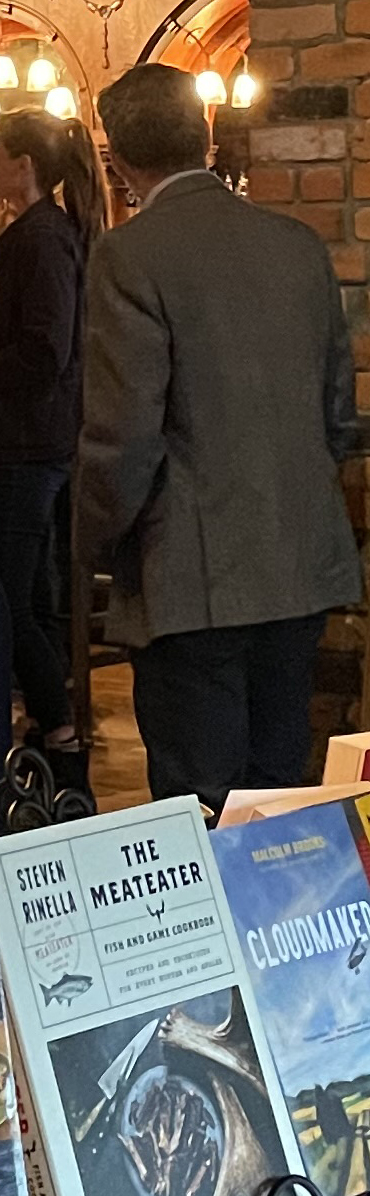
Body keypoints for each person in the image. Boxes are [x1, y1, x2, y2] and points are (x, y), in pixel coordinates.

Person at [77, 64, 362, 811]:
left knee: (199, 803)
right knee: (278, 799)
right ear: (205, 134)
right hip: (298, 565)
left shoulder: (128, 254)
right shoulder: (296, 245)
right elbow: (338, 414)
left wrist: (88, 542)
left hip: (189, 577)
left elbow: (123, 434)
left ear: (119, 156)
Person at [0, 108, 107, 788]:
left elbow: (45, 349)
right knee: (29, 593)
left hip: (26, 444)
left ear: (23, 166)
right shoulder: (39, 235)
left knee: (11, 595)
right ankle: (54, 727)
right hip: (31, 441)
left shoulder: (39, 240)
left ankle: (61, 729)